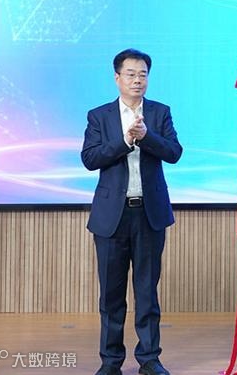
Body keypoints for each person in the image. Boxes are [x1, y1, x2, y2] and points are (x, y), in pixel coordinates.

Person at [82, 49, 182, 375]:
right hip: (112, 217)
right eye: (131, 74)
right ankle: (111, 362)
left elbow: (174, 152)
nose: (138, 80)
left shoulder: (160, 113)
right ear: (117, 78)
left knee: (147, 293)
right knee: (111, 296)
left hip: (149, 215)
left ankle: (149, 359)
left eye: (143, 74)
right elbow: (90, 159)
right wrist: (126, 141)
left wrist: (147, 137)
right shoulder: (99, 116)